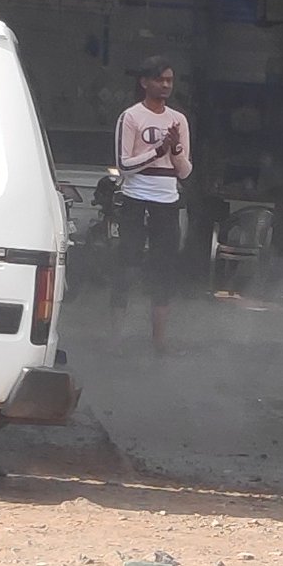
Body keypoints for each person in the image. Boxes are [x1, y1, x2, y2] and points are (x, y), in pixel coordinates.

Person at [112, 56, 193, 353]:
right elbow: (123, 165)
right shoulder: (131, 117)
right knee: (126, 267)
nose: (166, 85)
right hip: (136, 199)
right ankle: (116, 338)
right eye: (160, 79)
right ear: (144, 82)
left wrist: (175, 150)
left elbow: (185, 172)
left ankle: (159, 340)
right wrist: (158, 150)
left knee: (164, 271)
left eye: (170, 80)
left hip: (167, 202)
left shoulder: (178, 120)